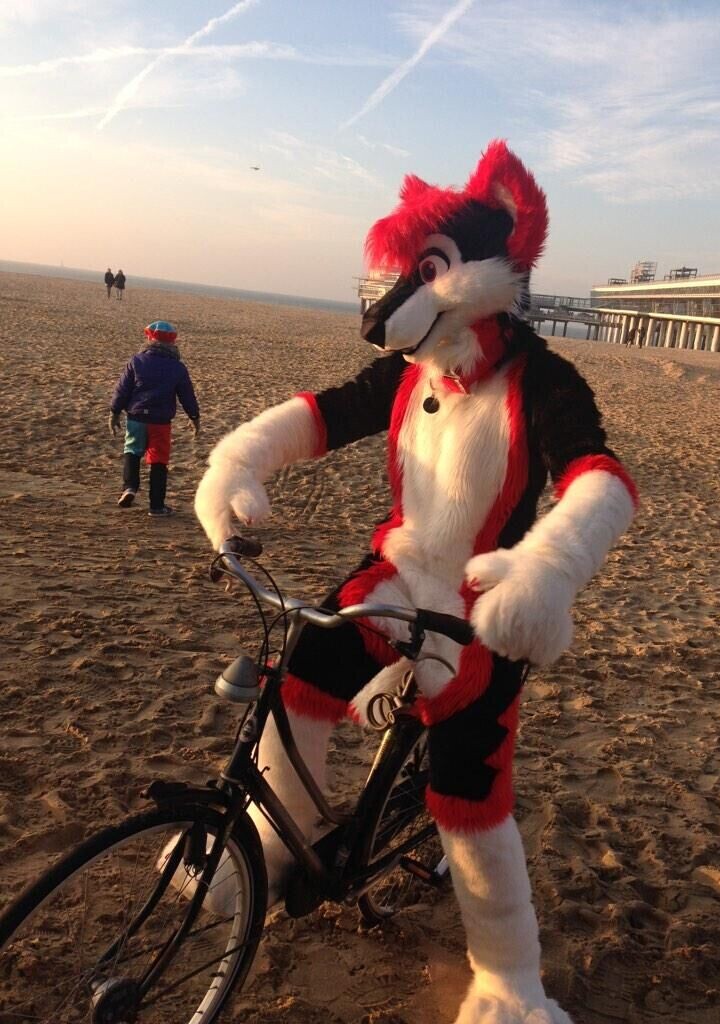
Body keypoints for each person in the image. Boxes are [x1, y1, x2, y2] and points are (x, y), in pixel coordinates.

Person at [194, 141, 638, 1024]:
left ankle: (509, 979)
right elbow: (325, 413)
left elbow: (601, 476)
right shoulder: (413, 370)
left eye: (426, 271)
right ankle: (274, 843)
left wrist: (550, 566)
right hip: (396, 574)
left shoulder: (542, 380)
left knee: (468, 796)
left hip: (483, 604)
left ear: (491, 264)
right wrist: (239, 459)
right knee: (301, 679)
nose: (396, 304)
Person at [109, 320, 200, 516]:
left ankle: (130, 487)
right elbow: (187, 395)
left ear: (150, 339)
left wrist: (114, 412)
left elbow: (122, 389)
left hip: (136, 417)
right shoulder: (177, 367)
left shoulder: (137, 361)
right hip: (160, 422)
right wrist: (194, 416)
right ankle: (157, 506)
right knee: (159, 461)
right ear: (172, 342)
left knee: (132, 450)